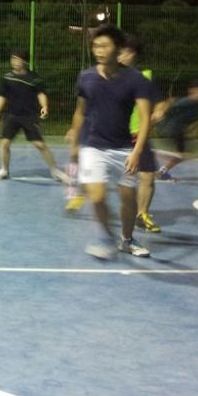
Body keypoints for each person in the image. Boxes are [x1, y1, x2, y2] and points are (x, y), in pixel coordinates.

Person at [67, 24, 154, 259]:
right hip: (93, 146)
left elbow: (145, 118)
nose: (99, 51)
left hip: (123, 148)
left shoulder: (136, 80)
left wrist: (137, 152)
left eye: (104, 46)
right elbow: (80, 111)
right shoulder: (86, 77)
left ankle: (127, 239)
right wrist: (74, 140)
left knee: (128, 198)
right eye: (96, 46)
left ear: (118, 48)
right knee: (96, 197)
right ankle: (106, 237)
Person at [0, 49, 70, 183]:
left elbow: (41, 94)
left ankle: (55, 171)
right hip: (12, 116)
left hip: (29, 116)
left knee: (40, 145)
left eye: (17, 59)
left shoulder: (34, 78)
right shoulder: (7, 78)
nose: (14, 62)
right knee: (4, 143)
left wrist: (44, 106)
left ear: (25, 62)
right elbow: (1, 96)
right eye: (13, 59)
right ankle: (4, 170)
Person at [118, 36, 161, 232]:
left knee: (148, 176)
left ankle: (142, 215)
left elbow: (160, 102)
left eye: (124, 52)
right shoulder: (108, 76)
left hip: (138, 135)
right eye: (118, 52)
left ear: (133, 54)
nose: (120, 56)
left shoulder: (145, 77)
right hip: (115, 135)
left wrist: (159, 110)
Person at [154, 79, 198, 180]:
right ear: (195, 90)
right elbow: (170, 103)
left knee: (183, 155)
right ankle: (154, 155)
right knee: (184, 155)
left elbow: (189, 121)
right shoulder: (188, 101)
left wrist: (189, 131)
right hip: (173, 130)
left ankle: (162, 171)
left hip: (178, 131)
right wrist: (160, 113)